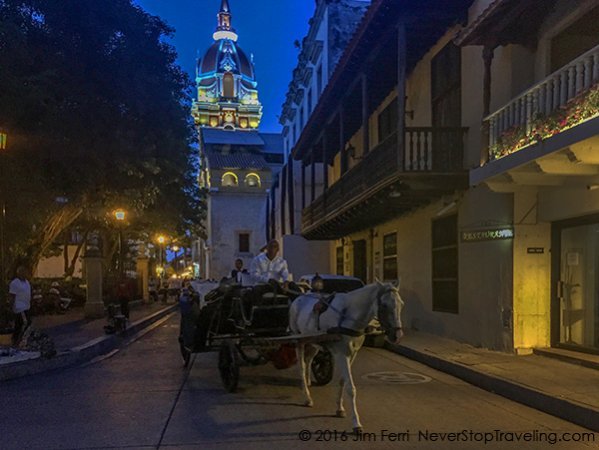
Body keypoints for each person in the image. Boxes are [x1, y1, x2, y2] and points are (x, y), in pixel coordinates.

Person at [9, 266, 32, 347]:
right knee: (26, 323)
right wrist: (12, 307)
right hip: (20, 308)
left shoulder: (27, 282)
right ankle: (20, 341)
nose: (25, 273)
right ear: (18, 273)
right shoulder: (15, 283)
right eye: (23, 272)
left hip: (27, 306)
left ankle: (15, 341)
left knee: (19, 325)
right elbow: (12, 296)